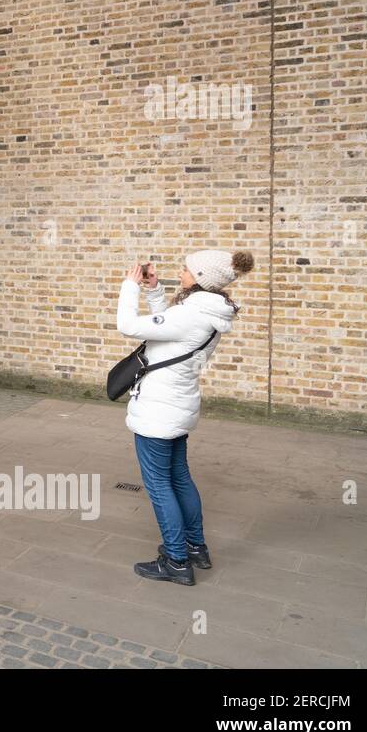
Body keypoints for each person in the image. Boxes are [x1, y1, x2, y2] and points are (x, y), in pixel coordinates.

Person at [116, 249, 254, 586]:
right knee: (179, 478)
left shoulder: (192, 315)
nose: (180, 272)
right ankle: (196, 548)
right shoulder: (206, 310)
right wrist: (154, 291)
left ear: (202, 278)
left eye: (186, 269)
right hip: (177, 406)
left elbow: (127, 326)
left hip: (158, 410)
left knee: (160, 485)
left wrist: (130, 286)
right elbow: (169, 329)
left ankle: (176, 561)